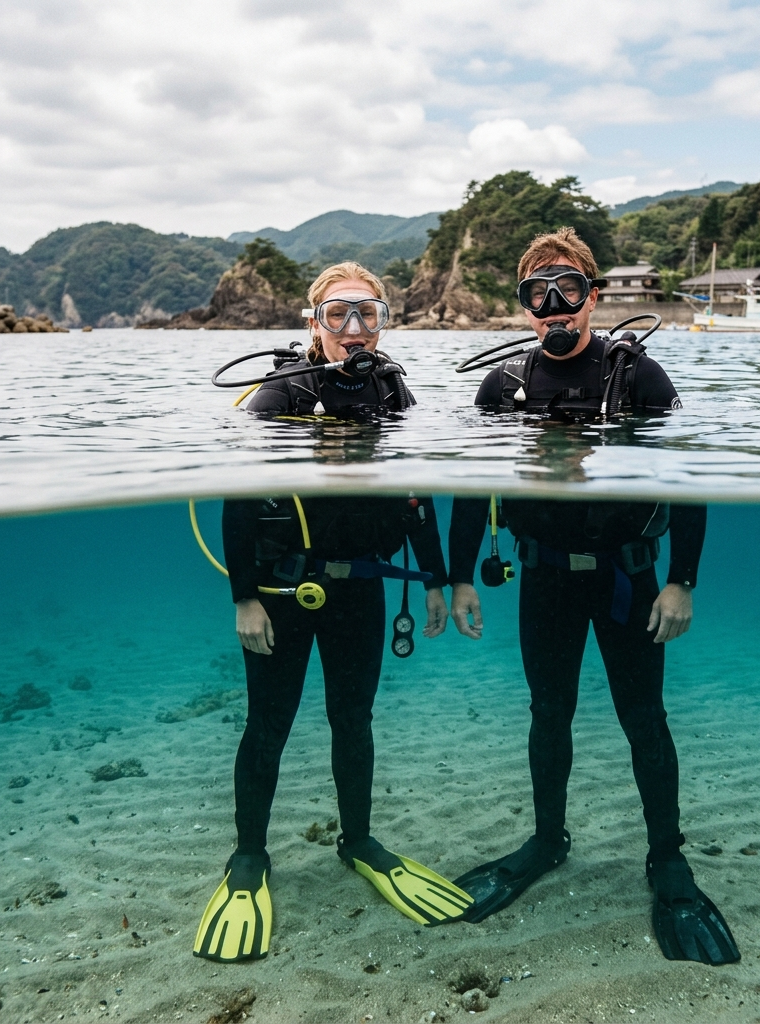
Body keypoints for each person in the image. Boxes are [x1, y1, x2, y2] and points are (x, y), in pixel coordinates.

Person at [447, 230, 739, 965]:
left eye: (568, 289)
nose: (554, 306)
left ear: (593, 296)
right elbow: (468, 492)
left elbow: (689, 477)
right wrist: (455, 577)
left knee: (645, 718)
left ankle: (667, 858)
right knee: (550, 713)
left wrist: (682, 579)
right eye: (538, 293)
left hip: (627, 579)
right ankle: (548, 840)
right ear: (523, 306)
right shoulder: (502, 387)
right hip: (545, 577)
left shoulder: (636, 378)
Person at [194, 262, 472, 963]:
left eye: (368, 314)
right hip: (284, 595)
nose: (354, 330)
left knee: (353, 719)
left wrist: (436, 578)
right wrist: (244, 597)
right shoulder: (281, 393)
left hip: (362, 592)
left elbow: (415, 493)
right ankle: (249, 855)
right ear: (311, 322)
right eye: (338, 315)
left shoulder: (392, 390)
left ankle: (358, 840)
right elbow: (235, 497)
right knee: (268, 725)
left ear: (384, 321)